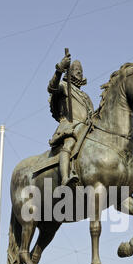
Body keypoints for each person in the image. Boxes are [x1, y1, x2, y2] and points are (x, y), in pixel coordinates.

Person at [48, 52, 94, 186]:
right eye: (75, 69)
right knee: (69, 144)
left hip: (86, 129)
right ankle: (64, 178)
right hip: (70, 127)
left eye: (81, 70)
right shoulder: (63, 86)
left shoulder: (86, 97)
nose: (79, 72)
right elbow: (52, 87)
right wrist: (59, 69)